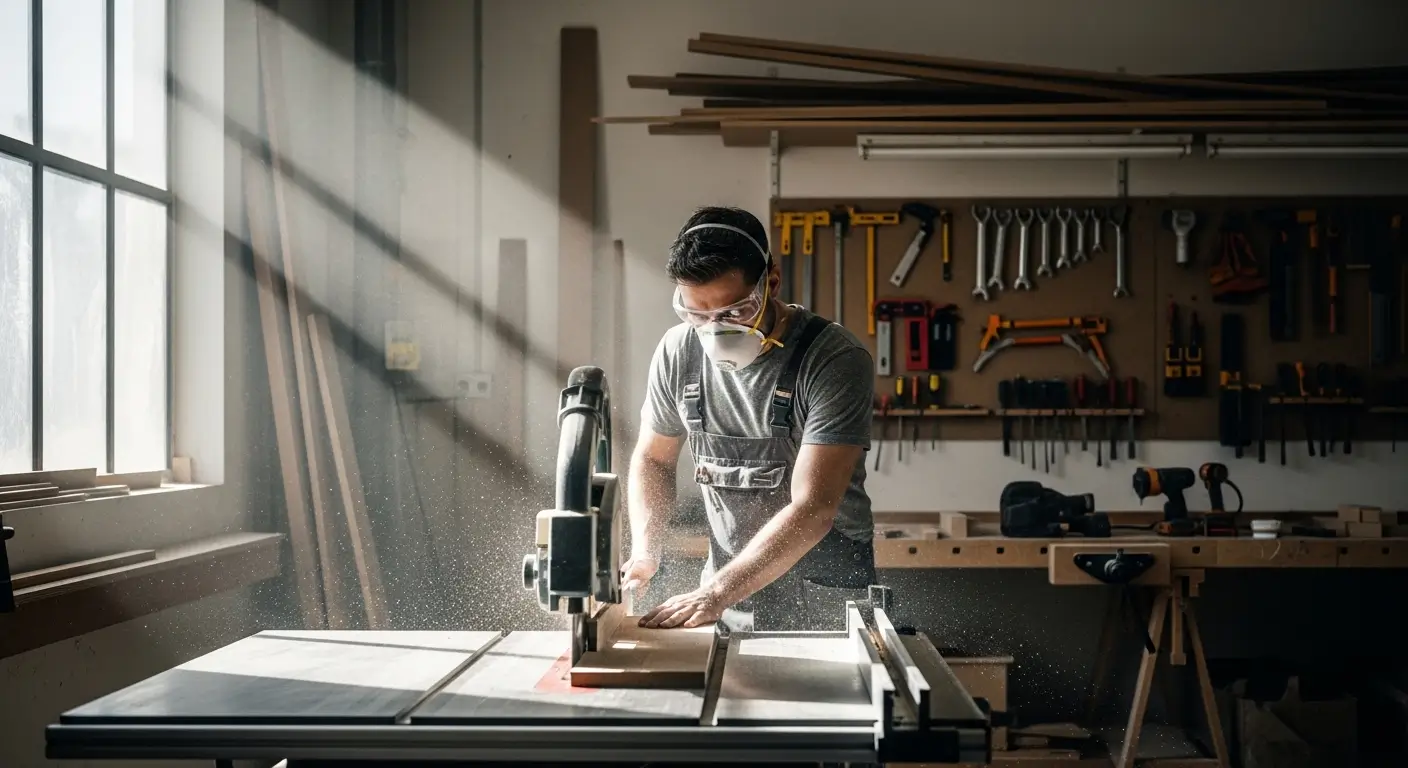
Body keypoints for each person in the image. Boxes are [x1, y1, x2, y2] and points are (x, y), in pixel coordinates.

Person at [622, 205, 877, 632]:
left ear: (771, 282)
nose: (714, 331)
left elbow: (814, 507)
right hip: (726, 594)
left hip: (825, 599)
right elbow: (653, 459)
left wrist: (715, 593)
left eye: (734, 313)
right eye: (696, 315)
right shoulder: (678, 352)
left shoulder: (834, 359)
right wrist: (646, 549)